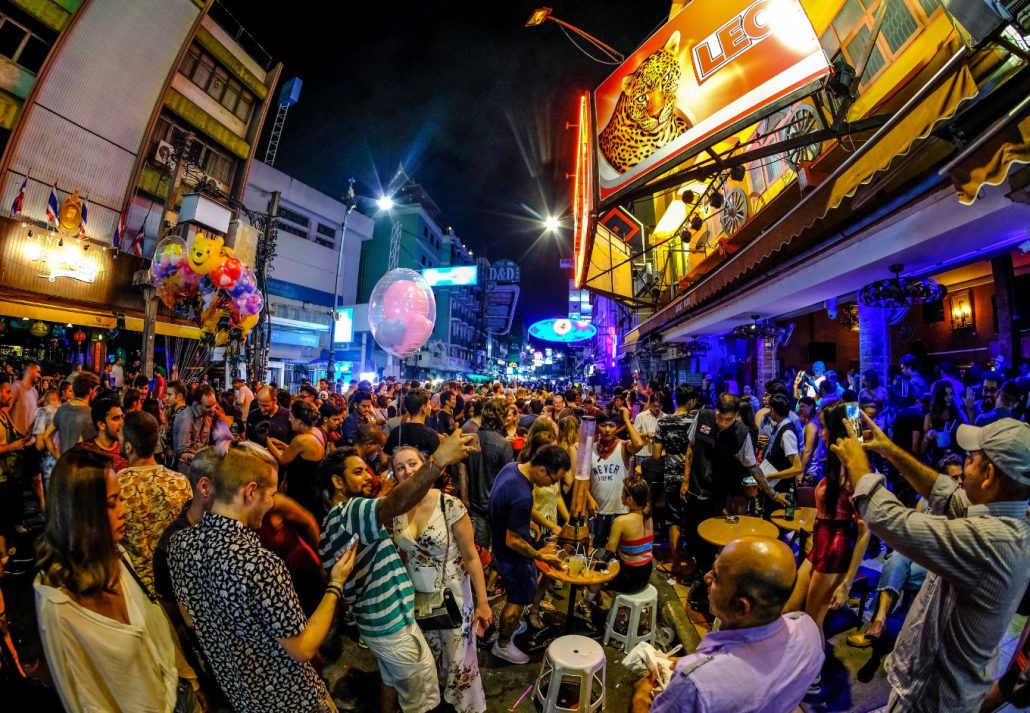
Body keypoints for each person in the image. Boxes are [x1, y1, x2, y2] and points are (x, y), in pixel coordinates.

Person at [831, 414, 1030, 711]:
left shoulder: (993, 542)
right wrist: (888, 449)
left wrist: (859, 465)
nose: (965, 465)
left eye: (972, 458)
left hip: (930, 700)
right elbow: (946, 494)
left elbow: (891, 521)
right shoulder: (1001, 514)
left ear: (989, 475)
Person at [169, 442, 357, 713]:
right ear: (250, 492)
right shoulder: (260, 563)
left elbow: (190, 619)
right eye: (271, 493)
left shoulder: (180, 544)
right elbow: (302, 648)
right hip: (291, 699)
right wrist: (336, 583)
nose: (271, 502)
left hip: (240, 695)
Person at [319, 429, 475, 713]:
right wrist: (439, 459)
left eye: (368, 470)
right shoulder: (348, 513)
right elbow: (393, 503)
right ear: (337, 482)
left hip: (386, 625)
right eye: (358, 472)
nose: (369, 476)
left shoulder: (339, 520)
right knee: (423, 701)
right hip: (393, 629)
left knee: (392, 682)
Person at [35, 449, 201, 712]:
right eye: (111, 504)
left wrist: (189, 679)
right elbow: (82, 698)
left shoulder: (118, 556)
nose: (123, 511)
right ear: (81, 513)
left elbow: (155, 625)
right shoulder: (58, 606)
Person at [632, 537, 824, 713]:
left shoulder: (695, 683)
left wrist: (640, 694)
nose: (706, 578)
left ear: (741, 608)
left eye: (716, 577)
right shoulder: (807, 629)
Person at [390, 446, 491, 713]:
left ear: (427, 466)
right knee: (429, 660)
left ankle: (466, 708)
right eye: (399, 467)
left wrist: (483, 602)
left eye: (412, 463)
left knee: (459, 663)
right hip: (418, 600)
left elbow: (471, 557)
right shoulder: (396, 506)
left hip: (454, 597)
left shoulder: (450, 505)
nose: (407, 470)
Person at [784, 401, 870, 670]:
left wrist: (846, 584)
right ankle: (795, 663)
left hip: (836, 549)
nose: (820, 433)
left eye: (823, 427)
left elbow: (865, 532)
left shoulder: (857, 472)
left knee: (812, 620)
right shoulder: (835, 464)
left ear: (837, 430)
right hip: (820, 542)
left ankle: (813, 675)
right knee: (791, 611)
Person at [847, 453, 965, 648]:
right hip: (915, 555)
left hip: (936, 565)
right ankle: (880, 622)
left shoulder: (960, 508)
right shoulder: (926, 501)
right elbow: (911, 533)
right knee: (897, 558)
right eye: (955, 478)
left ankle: (876, 623)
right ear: (943, 479)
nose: (960, 482)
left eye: (961, 477)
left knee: (894, 566)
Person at [682, 394, 783, 602]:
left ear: (737, 416)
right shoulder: (702, 418)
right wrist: (685, 480)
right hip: (694, 487)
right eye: (719, 418)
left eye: (728, 420)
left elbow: (751, 465)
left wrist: (771, 492)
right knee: (691, 534)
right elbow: (691, 448)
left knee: (710, 539)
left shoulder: (741, 434)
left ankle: (704, 579)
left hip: (717, 493)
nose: (722, 423)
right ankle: (699, 571)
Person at [489, 444, 569, 664]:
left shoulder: (512, 468)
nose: (552, 484)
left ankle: (507, 632)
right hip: (511, 555)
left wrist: (528, 521)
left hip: (498, 545)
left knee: (513, 598)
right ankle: (502, 645)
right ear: (542, 469)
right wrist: (540, 555)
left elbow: (507, 510)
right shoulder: (522, 494)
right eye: (553, 479)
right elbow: (513, 540)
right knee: (516, 602)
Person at [116, 411, 192, 597]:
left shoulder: (118, 484)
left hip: (135, 585)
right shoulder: (180, 482)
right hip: (174, 584)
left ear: (128, 446)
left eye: (120, 433)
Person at [153, 448, 218, 606]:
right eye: (227, 488)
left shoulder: (225, 527)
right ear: (205, 487)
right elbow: (170, 612)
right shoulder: (169, 548)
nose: (234, 496)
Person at [651, 384, 701, 579]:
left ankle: (675, 563)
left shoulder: (663, 423)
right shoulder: (697, 421)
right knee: (693, 518)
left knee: (673, 519)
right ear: (692, 402)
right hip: (694, 478)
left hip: (672, 476)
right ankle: (692, 561)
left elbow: (655, 455)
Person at [589, 408, 645, 547]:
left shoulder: (623, 446)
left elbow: (638, 444)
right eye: (603, 425)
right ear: (597, 427)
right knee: (597, 550)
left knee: (619, 552)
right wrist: (589, 499)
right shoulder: (591, 448)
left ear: (617, 428)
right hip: (598, 511)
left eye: (611, 426)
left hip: (620, 510)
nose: (607, 429)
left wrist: (627, 420)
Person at [267, 400, 328, 521]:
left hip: (302, 493)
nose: (289, 420)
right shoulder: (316, 432)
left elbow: (283, 459)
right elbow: (299, 453)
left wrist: (267, 441)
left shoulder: (301, 440)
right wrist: (281, 444)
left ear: (299, 421)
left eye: (291, 417)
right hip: (314, 490)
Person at [466, 398, 514, 548]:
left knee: (480, 552)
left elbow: (462, 473)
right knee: (498, 551)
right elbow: (508, 480)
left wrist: (464, 499)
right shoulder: (503, 444)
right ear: (501, 418)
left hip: (475, 504)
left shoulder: (470, 439)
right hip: (496, 506)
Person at [0, 375, 36, 541]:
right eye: (7, 392)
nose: (10, 395)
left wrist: (25, 437)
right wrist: (13, 446)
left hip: (8, 472)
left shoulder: (4, 414)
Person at [45, 371, 99, 458]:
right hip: (82, 468)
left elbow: (47, 436)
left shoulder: (63, 408)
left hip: (65, 466)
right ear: (90, 390)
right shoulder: (91, 414)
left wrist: (58, 457)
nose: (96, 394)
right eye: (96, 390)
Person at [72, 397, 128, 472]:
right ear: (101, 425)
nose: (122, 423)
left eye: (122, 417)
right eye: (116, 418)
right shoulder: (83, 452)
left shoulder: (128, 449)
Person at [384, 388, 441, 457]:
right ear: (424, 408)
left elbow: (385, 458)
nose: (430, 407)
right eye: (428, 404)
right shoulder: (431, 435)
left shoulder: (396, 431)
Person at [920, 380, 965, 466]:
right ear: (939, 396)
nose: (949, 397)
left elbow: (969, 435)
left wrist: (961, 457)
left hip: (956, 461)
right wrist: (927, 437)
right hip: (938, 463)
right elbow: (922, 451)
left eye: (951, 394)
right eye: (945, 394)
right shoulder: (929, 418)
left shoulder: (958, 413)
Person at [173, 384, 215, 472]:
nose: (213, 409)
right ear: (197, 404)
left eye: (214, 404)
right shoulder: (186, 419)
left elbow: (205, 444)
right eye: (208, 406)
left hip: (201, 465)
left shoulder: (207, 416)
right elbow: (182, 453)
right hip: (188, 470)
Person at [633, 394, 665, 459]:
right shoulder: (641, 416)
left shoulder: (665, 417)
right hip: (643, 454)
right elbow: (634, 435)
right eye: (655, 406)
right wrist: (646, 434)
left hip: (661, 454)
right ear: (650, 404)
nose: (657, 408)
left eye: (659, 406)